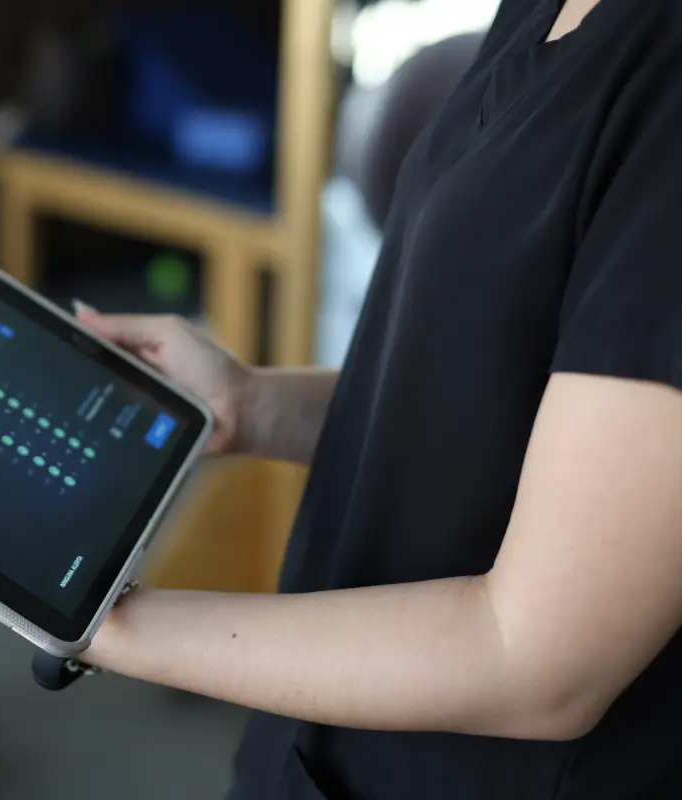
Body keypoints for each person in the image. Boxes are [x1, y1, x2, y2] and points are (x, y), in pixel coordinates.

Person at [72, 0, 682, 797]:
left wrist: (109, 622)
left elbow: (535, 660)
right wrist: (250, 403)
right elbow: (500, 398)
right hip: (321, 741)